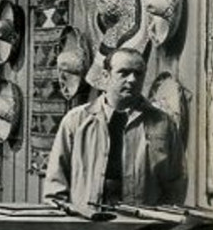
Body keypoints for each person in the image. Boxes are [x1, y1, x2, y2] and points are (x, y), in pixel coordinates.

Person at [44, 47, 186, 208]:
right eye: (124, 73)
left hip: (140, 220)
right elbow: (56, 184)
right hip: (86, 219)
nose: (132, 80)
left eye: (138, 74)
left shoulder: (163, 123)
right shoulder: (75, 121)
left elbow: (176, 183)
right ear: (106, 76)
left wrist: (160, 219)